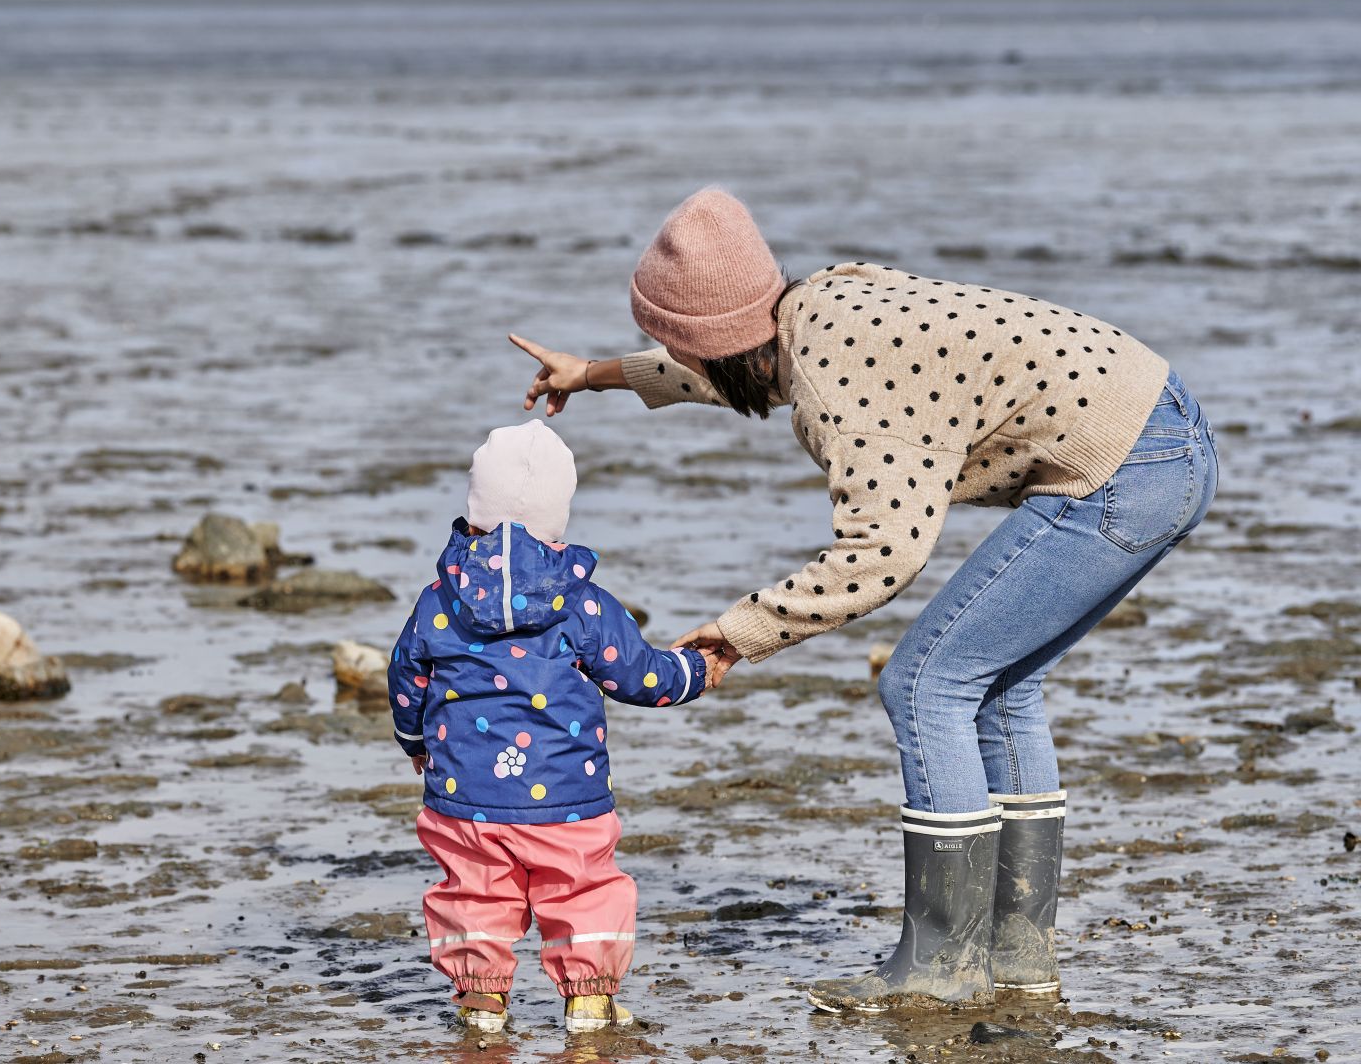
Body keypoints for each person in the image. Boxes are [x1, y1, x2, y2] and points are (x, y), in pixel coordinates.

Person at [509, 188, 1217, 1014]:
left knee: (923, 685)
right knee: (999, 686)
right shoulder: (818, 306)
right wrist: (593, 375)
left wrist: (744, 631)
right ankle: (1020, 960)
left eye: (671, 345)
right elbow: (749, 371)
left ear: (707, 342)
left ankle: (939, 967)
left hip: (1121, 476)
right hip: (1163, 436)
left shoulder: (835, 385)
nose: (676, 359)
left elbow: (883, 555)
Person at [387, 418, 722, 1032]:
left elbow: (407, 677)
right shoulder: (584, 604)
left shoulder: (440, 601)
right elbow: (640, 676)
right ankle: (589, 998)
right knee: (582, 888)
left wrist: (414, 740)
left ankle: (481, 999)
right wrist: (697, 669)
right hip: (569, 797)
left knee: (475, 889)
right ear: (559, 513)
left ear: (474, 505)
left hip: (465, 796)